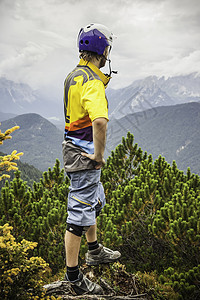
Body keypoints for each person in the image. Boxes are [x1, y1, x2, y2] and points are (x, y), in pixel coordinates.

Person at [62, 23, 121, 295]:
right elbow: (99, 122)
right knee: (78, 216)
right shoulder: (93, 82)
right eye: (108, 47)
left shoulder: (73, 75)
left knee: (96, 200)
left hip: (73, 149)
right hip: (85, 157)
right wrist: (98, 156)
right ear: (102, 50)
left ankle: (94, 250)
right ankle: (73, 278)